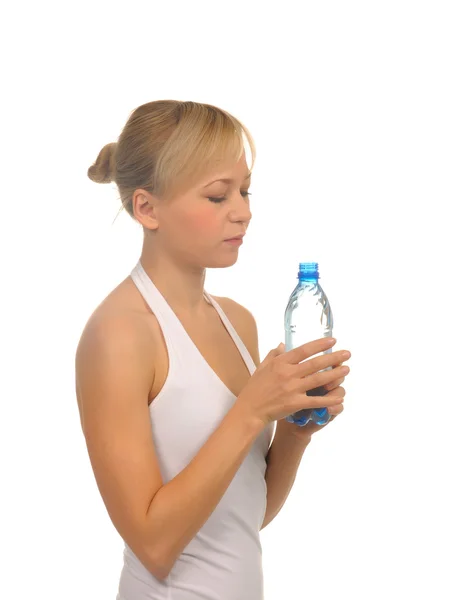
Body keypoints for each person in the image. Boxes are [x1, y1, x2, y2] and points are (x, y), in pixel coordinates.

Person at [76, 99, 351, 600]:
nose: (243, 211)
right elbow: (154, 545)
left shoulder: (237, 322)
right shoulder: (118, 336)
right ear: (147, 208)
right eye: (217, 196)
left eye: (245, 191)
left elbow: (246, 513)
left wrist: (295, 429)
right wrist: (252, 409)